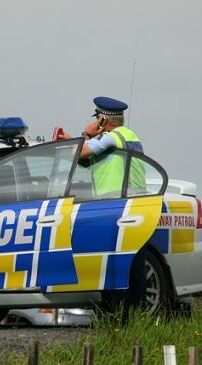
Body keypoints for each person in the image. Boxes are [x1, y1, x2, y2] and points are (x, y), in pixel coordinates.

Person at [57, 96, 147, 325]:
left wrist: (85, 134)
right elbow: (87, 159)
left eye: (98, 117)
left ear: (103, 120)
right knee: (133, 264)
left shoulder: (111, 137)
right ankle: (134, 318)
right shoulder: (129, 136)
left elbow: (80, 154)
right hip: (136, 206)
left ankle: (117, 317)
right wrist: (73, 141)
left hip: (117, 208)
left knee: (114, 263)